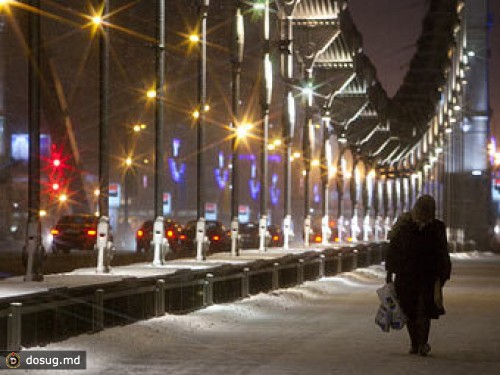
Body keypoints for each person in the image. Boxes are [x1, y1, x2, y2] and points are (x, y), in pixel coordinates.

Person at [385, 194, 452, 356]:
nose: (425, 214)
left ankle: (423, 343)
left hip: (427, 276)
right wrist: (389, 273)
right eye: (423, 210)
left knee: (424, 310)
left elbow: (442, 252)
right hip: (406, 276)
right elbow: (393, 250)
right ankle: (415, 342)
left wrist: (442, 275)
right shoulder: (404, 225)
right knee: (409, 311)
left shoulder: (437, 227)